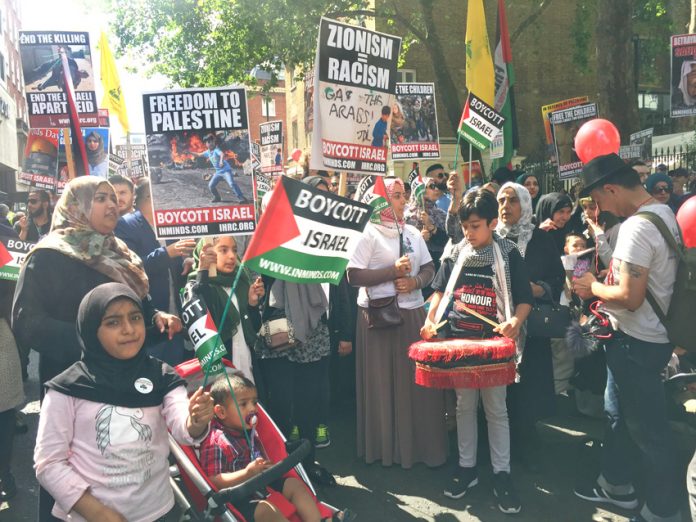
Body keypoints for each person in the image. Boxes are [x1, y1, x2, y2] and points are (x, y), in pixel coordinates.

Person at [34, 283, 214, 522]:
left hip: (159, 512)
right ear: (90, 329)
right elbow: (49, 463)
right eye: (113, 322)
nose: (129, 329)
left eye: (136, 318)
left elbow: (183, 428)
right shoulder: (67, 389)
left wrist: (196, 419)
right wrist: (100, 514)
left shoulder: (163, 376)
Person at [572, 153, 682, 522]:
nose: (600, 207)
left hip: (638, 343)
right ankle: (616, 484)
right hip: (638, 340)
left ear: (612, 188)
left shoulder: (637, 228)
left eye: (599, 199)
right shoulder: (662, 212)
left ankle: (662, 510)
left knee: (649, 432)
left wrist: (592, 287)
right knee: (618, 414)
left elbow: (630, 297)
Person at [421, 189, 532, 514]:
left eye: (474, 226)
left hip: (493, 347)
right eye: (465, 227)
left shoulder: (509, 252)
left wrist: (515, 320)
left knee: (496, 409)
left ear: (492, 223)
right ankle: (466, 468)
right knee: (464, 406)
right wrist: (430, 321)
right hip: (459, 345)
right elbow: (440, 293)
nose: (468, 233)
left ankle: (502, 474)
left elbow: (525, 298)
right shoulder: (457, 252)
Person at [347, 177, 448, 469]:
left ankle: (419, 449)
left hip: (412, 314)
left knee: (416, 386)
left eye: (404, 195)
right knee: (383, 384)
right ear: (380, 200)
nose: (404, 201)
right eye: (397, 195)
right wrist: (391, 271)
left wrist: (415, 281)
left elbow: (430, 268)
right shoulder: (367, 234)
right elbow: (354, 276)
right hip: (377, 319)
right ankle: (386, 450)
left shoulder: (413, 232)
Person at [255, 175, 338, 485]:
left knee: (310, 401)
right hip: (278, 330)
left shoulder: (316, 235)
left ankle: (309, 464)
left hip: (313, 329)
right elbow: (258, 283)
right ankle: (284, 471)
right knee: (282, 404)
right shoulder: (263, 242)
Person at [200, 375, 355, 522]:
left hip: (262, 484)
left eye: (254, 402)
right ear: (221, 412)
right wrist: (247, 473)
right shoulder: (216, 441)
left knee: (294, 485)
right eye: (243, 404)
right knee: (266, 511)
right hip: (238, 498)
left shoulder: (249, 430)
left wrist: (267, 468)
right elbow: (215, 481)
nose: (252, 408)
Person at [495, 182, 565, 472]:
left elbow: (557, 277)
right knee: (499, 387)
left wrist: (541, 289)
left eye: (512, 200)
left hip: (531, 326)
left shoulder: (540, 239)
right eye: (501, 200)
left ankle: (525, 438)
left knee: (528, 385)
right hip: (498, 323)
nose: (505, 206)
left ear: (525, 204)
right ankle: (498, 440)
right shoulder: (492, 238)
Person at [115, 179, 195, 366]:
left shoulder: (168, 223)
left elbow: (178, 257)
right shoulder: (125, 225)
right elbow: (131, 267)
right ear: (150, 197)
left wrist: (187, 260)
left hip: (175, 314)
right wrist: (167, 253)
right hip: (150, 318)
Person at [187, 236, 264, 381]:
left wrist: (252, 304)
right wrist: (203, 271)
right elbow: (201, 306)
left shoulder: (241, 282)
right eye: (223, 250)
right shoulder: (197, 285)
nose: (231, 256)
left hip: (247, 363)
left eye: (234, 250)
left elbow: (254, 329)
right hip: (219, 370)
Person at [405, 178, 448, 277]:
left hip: (437, 267)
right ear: (421, 190)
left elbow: (448, 241)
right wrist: (420, 238)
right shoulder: (408, 216)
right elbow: (402, 245)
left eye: (436, 186)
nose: (436, 189)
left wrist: (432, 228)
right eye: (432, 187)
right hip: (415, 270)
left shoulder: (441, 214)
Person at [199, 135, 247, 203]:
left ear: (214, 142)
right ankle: (217, 197)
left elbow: (221, 154)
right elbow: (198, 154)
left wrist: (221, 161)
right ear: (206, 144)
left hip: (226, 171)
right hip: (218, 172)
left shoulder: (216, 150)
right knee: (211, 185)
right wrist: (189, 152)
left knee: (231, 183)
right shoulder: (207, 152)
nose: (211, 143)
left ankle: (242, 198)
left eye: (212, 141)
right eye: (209, 142)